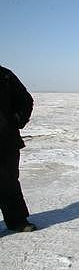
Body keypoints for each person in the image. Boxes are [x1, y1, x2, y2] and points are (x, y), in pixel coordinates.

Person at [0, 65, 36, 233]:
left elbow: (25, 100)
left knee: (9, 181)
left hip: (6, 139)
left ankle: (17, 221)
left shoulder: (4, 75)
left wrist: (14, 122)